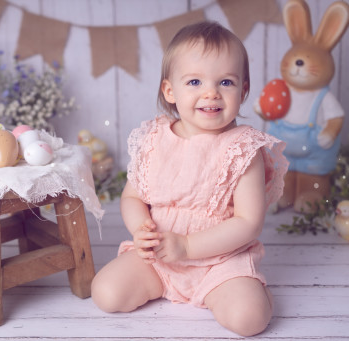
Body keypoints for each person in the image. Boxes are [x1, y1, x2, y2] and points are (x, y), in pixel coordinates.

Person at [91, 21, 288, 337]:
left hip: (220, 262)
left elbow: (249, 222)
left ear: (244, 90)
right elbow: (132, 197)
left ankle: (255, 293)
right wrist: (142, 230)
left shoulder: (242, 149)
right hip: (161, 257)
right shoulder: (155, 140)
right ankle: (161, 284)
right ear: (170, 91)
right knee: (106, 293)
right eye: (194, 81)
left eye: (225, 82)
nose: (211, 93)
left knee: (248, 319)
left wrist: (187, 246)